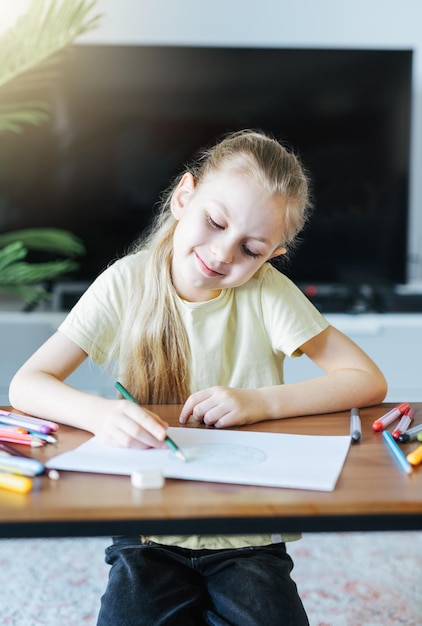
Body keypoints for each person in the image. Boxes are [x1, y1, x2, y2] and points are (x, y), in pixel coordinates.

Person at [9, 129, 387, 626]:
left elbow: (366, 379)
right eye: (214, 222)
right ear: (184, 197)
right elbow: (27, 384)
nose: (225, 254)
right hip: (147, 529)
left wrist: (261, 402)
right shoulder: (126, 281)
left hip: (248, 534)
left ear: (272, 256)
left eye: (251, 249)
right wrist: (99, 414)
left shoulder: (269, 292)